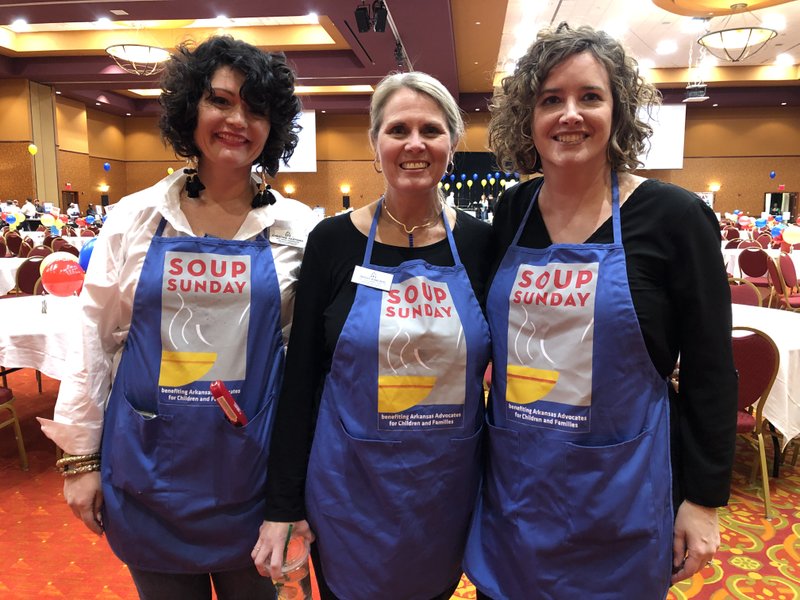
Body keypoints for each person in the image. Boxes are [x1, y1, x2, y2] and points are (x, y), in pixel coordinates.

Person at [463, 23, 737, 599]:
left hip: (622, 493)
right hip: (518, 489)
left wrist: (704, 499)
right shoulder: (512, 210)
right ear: (528, 119)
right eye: (550, 100)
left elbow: (712, 368)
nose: (570, 114)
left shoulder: (675, 219)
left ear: (617, 112)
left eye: (590, 96)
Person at [39, 35, 315, 599]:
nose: (237, 120)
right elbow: (94, 339)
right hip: (151, 470)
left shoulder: (299, 230)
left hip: (253, 478)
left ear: (274, 127)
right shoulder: (136, 219)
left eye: (256, 108)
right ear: (190, 107)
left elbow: (309, 360)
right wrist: (79, 461)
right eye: (220, 101)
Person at [254, 71, 493, 599]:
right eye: (397, 129)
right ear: (375, 143)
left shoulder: (480, 243)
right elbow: (301, 382)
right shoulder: (333, 241)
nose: (414, 144)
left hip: (443, 488)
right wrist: (284, 505)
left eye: (430, 130)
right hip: (348, 490)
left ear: (452, 144)